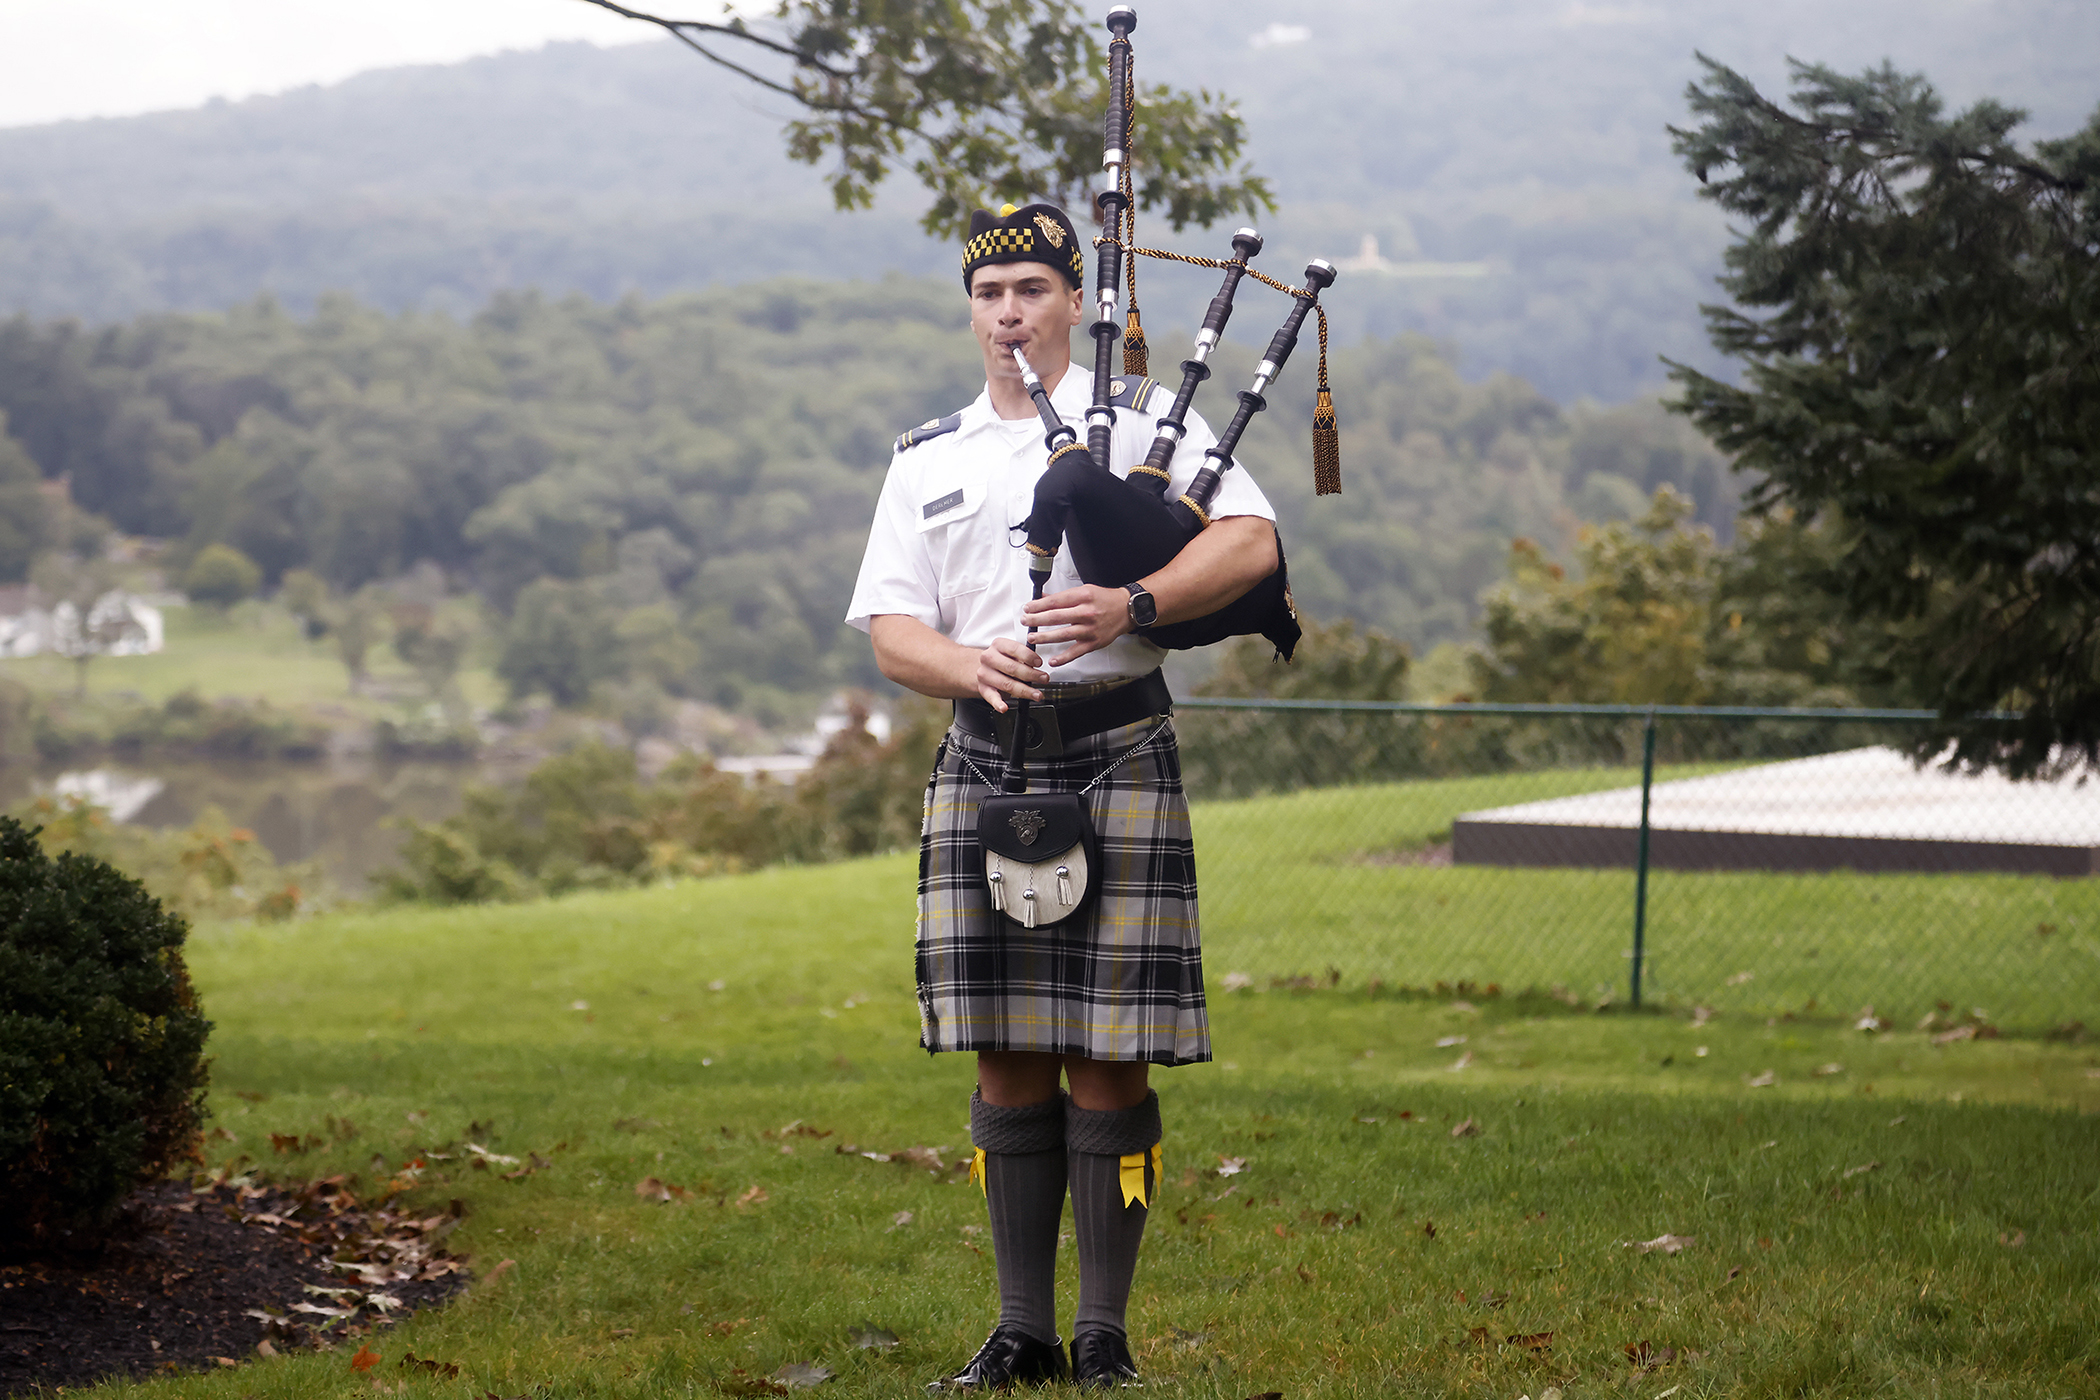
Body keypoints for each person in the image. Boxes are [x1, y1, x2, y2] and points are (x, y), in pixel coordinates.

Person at [846, 201, 1280, 1391]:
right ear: (970, 310)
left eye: (1031, 290)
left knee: (1112, 1056)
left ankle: (1103, 1333)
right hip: (986, 754)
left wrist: (1133, 605)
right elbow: (892, 628)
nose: (1007, 315)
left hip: (1115, 744)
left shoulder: (1143, 423)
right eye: (989, 295)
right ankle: (1020, 1327)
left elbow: (1250, 543)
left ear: (1077, 303)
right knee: (1005, 1053)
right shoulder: (927, 456)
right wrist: (967, 663)